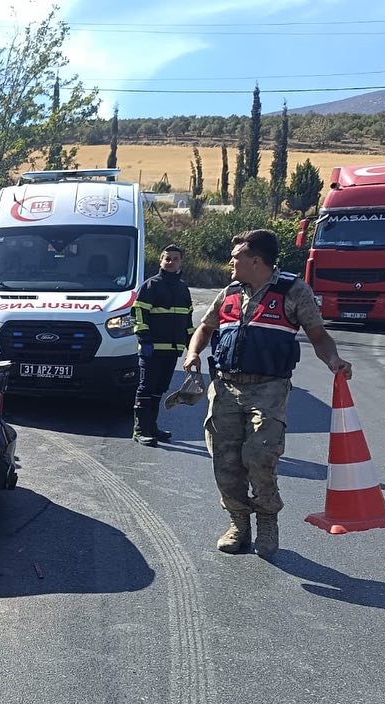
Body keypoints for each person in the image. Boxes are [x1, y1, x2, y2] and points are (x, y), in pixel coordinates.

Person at [183, 228, 352, 559]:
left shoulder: (293, 291)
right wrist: (193, 353)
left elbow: (318, 335)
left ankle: (267, 522)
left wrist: (334, 360)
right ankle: (238, 525)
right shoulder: (230, 292)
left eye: (236, 257)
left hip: (269, 388)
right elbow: (204, 328)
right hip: (226, 387)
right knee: (225, 462)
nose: (231, 261)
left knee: (261, 457)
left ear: (255, 260)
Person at [132, 244, 194, 446]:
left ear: (180, 262)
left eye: (175, 259)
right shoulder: (151, 285)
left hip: (172, 351)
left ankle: (152, 427)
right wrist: (144, 339)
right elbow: (139, 313)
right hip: (152, 349)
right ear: (161, 261)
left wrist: (192, 347)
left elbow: (188, 319)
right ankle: (140, 429)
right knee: (146, 388)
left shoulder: (183, 288)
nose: (171, 262)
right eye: (167, 258)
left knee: (159, 389)